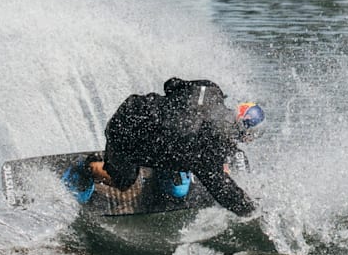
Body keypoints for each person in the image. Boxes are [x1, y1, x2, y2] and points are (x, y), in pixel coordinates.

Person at [85, 78, 264, 216]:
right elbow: (226, 194)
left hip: (131, 110)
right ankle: (89, 166)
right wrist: (254, 212)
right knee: (124, 183)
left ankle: (166, 166)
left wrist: (178, 113)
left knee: (174, 146)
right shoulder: (206, 154)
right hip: (123, 138)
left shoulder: (209, 89)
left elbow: (171, 84)